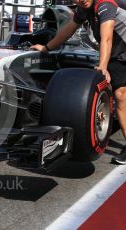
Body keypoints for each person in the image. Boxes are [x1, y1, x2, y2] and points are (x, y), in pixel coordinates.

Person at [31, 0, 126, 164]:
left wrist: (102, 67)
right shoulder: (83, 9)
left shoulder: (105, 4)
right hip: (118, 53)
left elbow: (107, 38)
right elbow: (68, 31)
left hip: (120, 50)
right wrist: (46, 48)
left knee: (120, 94)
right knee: (121, 94)